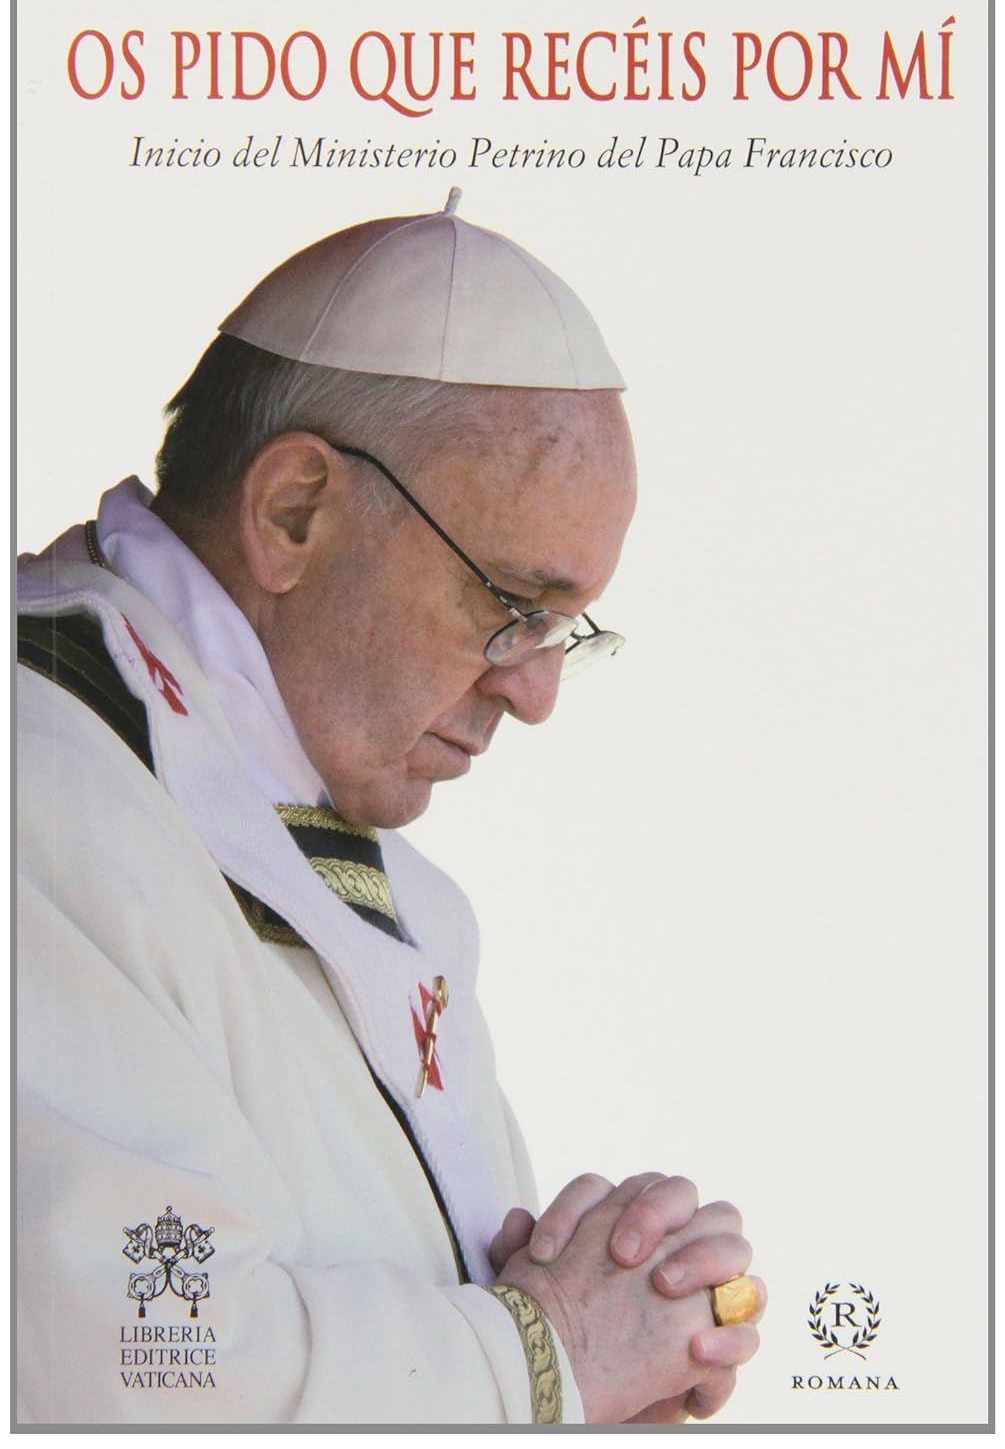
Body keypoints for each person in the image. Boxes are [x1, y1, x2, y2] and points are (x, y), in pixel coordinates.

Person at [17, 192, 764, 1425]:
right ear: (294, 511)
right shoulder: (36, 770)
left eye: (567, 630)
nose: (534, 694)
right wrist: (552, 1358)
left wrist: (605, 1337)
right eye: (511, 602)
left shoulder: (392, 898)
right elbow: (120, 1368)